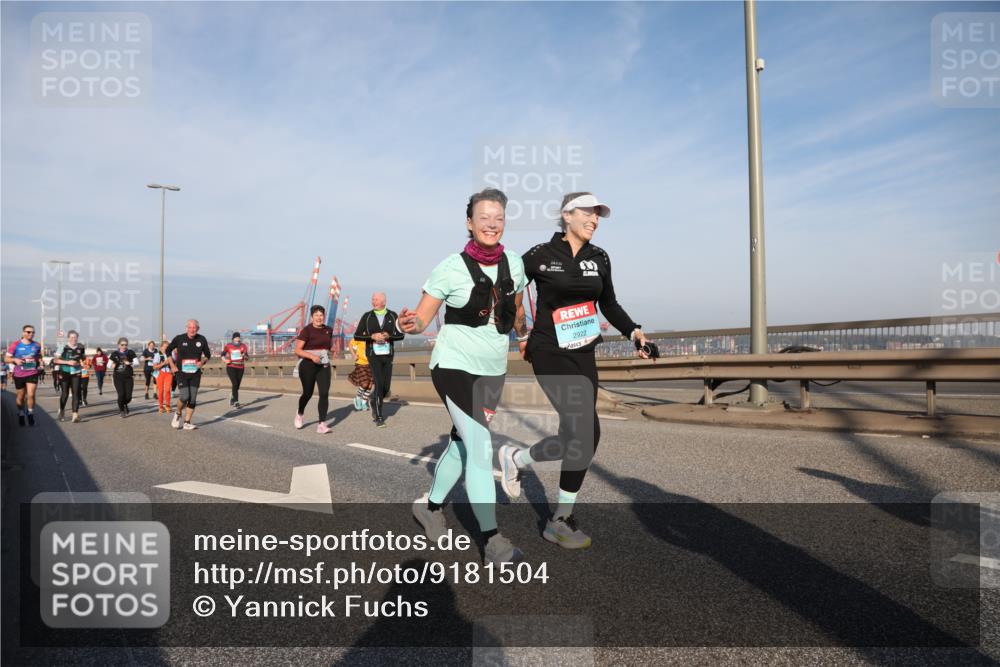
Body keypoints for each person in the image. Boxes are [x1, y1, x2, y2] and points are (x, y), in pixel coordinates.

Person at [498, 192, 651, 550]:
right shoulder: (539, 255)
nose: (595, 220)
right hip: (548, 351)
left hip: (583, 353)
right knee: (585, 428)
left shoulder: (600, 257)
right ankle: (559, 521)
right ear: (567, 215)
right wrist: (520, 332)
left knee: (582, 436)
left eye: (598, 215)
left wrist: (634, 332)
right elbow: (510, 292)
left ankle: (517, 458)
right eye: (588, 213)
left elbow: (608, 303)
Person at [400, 188, 528, 565]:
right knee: (481, 445)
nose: (492, 224)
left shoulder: (515, 264)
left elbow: (518, 312)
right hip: (454, 365)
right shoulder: (450, 268)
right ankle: (492, 541)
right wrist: (409, 323)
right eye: (483, 217)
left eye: (499, 218)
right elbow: (422, 319)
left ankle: (429, 508)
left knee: (462, 444)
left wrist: (523, 335)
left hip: (492, 370)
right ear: (469, 223)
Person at [353, 292, 404, 428]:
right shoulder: (367, 316)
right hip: (373, 355)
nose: (373, 301)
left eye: (376, 299)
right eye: (372, 299)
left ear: (383, 301)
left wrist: (388, 336)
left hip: (388, 355)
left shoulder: (392, 315)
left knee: (385, 388)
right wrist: (372, 337)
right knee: (379, 383)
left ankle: (373, 399)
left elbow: (401, 336)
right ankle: (379, 416)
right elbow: (357, 335)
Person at [293, 305, 334, 434]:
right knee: (307, 393)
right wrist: (312, 356)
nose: (319, 317)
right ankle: (300, 413)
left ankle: (321, 424)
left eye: (321, 315)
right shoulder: (307, 330)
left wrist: (328, 352)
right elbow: (297, 350)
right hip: (308, 365)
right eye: (316, 315)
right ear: (312, 317)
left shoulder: (328, 330)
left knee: (324, 393)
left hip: (324, 365)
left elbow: (327, 346)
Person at [166, 319, 211, 430]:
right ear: (186, 328)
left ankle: (187, 422)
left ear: (198, 328)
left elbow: (208, 355)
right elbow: (168, 350)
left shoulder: (202, 339)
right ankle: (178, 412)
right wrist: (172, 365)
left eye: (194, 327)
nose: (192, 330)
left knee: (192, 398)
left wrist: (202, 362)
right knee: (185, 396)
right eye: (190, 327)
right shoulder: (179, 338)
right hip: (181, 373)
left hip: (195, 373)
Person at [5, 324, 42, 426]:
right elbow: (6, 359)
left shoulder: (37, 345)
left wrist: (40, 361)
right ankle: (21, 413)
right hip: (19, 374)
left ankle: (30, 413)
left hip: (32, 372)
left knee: (31, 394)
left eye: (33, 332)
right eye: (28, 332)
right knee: (20, 397)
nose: (31, 334)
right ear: (23, 333)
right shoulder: (15, 344)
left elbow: (38, 356)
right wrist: (14, 360)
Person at [57, 330, 86, 423]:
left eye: (75, 337)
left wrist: (81, 363)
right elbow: (55, 360)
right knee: (65, 394)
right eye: (72, 337)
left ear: (77, 338)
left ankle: (75, 415)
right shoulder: (63, 347)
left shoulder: (81, 347)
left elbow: (82, 358)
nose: (73, 339)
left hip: (76, 372)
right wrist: (67, 362)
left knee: (76, 393)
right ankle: (62, 410)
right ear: (68, 338)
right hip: (65, 372)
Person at [108, 337, 137, 417]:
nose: (124, 346)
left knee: (128, 397)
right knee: (121, 394)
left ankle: (124, 404)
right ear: (119, 345)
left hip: (128, 377)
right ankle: (121, 410)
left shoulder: (130, 352)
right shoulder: (114, 354)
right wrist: (113, 365)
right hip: (118, 378)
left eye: (125, 345)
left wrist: (130, 363)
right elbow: (108, 365)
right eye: (122, 345)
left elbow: (137, 363)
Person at [222, 332, 249, 409]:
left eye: (238, 337)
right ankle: (236, 402)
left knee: (237, 385)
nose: (238, 339)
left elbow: (247, 357)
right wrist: (225, 360)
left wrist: (245, 356)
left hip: (241, 367)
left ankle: (232, 397)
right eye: (236, 337)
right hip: (231, 366)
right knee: (234, 383)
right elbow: (222, 354)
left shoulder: (243, 346)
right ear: (233, 338)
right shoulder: (228, 346)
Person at [347, 338, 372, 411]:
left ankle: (364, 402)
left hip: (371, 364)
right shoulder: (360, 336)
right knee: (365, 384)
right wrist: (354, 355)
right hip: (360, 363)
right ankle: (358, 398)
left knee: (370, 385)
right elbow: (350, 344)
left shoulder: (372, 337)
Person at [152, 340, 173, 414]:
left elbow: (174, 363)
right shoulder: (157, 355)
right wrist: (164, 363)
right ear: (161, 347)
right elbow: (154, 367)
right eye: (165, 347)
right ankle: (161, 406)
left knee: (167, 390)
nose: (166, 348)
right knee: (160, 390)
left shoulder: (170, 354)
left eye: (167, 347)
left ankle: (167, 405)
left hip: (169, 373)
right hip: (160, 373)